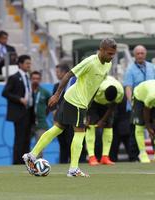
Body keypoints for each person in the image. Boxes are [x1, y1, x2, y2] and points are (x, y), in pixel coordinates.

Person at [23, 38, 117, 177]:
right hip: (76, 100)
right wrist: (56, 95)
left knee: (57, 128)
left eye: (113, 54)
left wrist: (89, 105)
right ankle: (73, 169)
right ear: (101, 50)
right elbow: (68, 75)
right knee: (80, 132)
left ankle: (31, 155)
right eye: (109, 53)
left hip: (78, 101)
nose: (111, 57)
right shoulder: (90, 62)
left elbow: (95, 85)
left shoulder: (107, 65)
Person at [2, 55, 34, 164]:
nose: (29, 65)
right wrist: (19, 99)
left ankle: (26, 161)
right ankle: (17, 162)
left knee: (27, 138)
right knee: (19, 138)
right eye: (27, 63)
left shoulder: (28, 77)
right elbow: (5, 92)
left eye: (30, 63)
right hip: (19, 112)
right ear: (20, 64)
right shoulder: (14, 77)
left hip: (28, 111)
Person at [85, 76, 124, 166]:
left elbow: (113, 106)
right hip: (92, 101)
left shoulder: (120, 92)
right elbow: (87, 101)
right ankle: (91, 157)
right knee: (90, 125)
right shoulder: (96, 87)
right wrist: (86, 117)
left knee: (108, 125)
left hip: (107, 105)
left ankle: (105, 157)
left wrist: (103, 120)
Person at [52, 63, 75, 163]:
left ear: (65, 73)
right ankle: (63, 162)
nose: (56, 74)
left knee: (71, 141)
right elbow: (54, 101)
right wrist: (54, 113)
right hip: (60, 117)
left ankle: (74, 163)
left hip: (71, 117)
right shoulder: (56, 86)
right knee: (62, 142)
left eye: (58, 72)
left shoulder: (74, 84)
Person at [30, 71, 51, 158]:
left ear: (40, 80)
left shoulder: (44, 92)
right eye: (33, 78)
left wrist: (44, 114)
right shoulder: (26, 91)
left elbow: (50, 106)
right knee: (23, 145)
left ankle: (38, 168)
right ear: (30, 79)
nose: (35, 80)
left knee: (39, 148)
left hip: (41, 123)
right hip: (28, 123)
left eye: (37, 79)